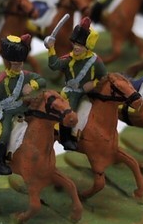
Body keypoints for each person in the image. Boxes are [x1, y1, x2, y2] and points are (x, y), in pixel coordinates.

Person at [0, 34, 48, 175]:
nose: (18, 67)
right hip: (6, 111)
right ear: (10, 63)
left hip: (21, 106)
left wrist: (32, 85)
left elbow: (42, 81)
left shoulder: (26, 75)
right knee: (5, 133)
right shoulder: (2, 79)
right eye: (15, 64)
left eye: (20, 64)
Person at [45, 17, 107, 150]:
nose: (76, 47)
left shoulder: (96, 61)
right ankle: (66, 138)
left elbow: (104, 77)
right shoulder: (69, 59)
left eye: (80, 45)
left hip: (90, 92)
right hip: (72, 93)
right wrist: (51, 49)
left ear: (87, 46)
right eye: (75, 44)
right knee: (69, 112)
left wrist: (94, 83)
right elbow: (54, 65)